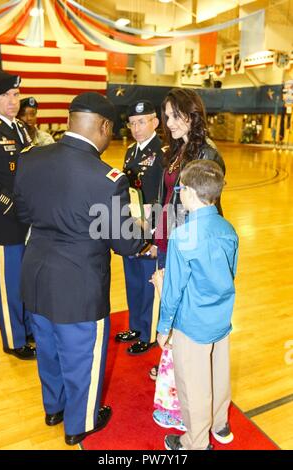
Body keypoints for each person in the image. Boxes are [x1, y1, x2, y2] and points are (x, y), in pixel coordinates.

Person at [14, 92, 143, 446]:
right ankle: (80, 423)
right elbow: (124, 242)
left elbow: (24, 214)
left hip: (36, 271)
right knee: (81, 355)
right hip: (78, 283)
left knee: (49, 348)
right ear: (103, 126)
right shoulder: (106, 178)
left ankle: (53, 408)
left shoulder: (31, 158)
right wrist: (143, 231)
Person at [153, 159, 238, 451]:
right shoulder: (228, 229)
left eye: (180, 189)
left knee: (193, 385)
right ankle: (220, 425)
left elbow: (174, 290)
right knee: (219, 375)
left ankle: (195, 441)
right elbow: (231, 273)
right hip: (221, 318)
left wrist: (163, 328)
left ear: (189, 193)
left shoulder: (182, 236)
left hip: (192, 322)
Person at [149, 88, 226, 384]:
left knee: (183, 302)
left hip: (189, 242)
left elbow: (206, 206)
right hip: (171, 236)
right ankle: (172, 361)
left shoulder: (206, 153)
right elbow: (168, 196)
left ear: (192, 114)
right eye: (166, 116)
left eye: (176, 115)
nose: (169, 123)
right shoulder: (176, 150)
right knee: (170, 299)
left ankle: (186, 368)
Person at [0, 70, 36, 360]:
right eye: (6, 94)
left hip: (26, 218)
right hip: (3, 219)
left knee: (24, 278)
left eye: (16, 94)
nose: (13, 100)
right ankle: (13, 337)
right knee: (8, 283)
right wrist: (9, 205)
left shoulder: (20, 128)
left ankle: (28, 328)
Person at [115, 100, 164, 355]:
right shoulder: (130, 152)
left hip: (152, 228)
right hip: (132, 227)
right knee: (133, 280)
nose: (136, 128)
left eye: (141, 121)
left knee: (148, 282)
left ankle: (150, 332)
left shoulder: (164, 151)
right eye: (132, 123)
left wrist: (157, 233)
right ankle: (136, 326)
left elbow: (165, 196)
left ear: (155, 122)